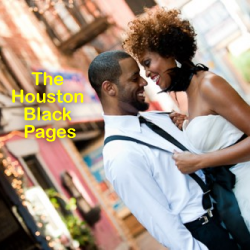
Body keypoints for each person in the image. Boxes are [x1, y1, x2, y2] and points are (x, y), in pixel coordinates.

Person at [122, 7, 250, 249]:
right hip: (237, 193)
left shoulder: (209, 84)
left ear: (169, 50)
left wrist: (201, 161)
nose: (147, 74)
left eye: (148, 63)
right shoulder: (186, 95)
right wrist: (188, 125)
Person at [88, 50, 239, 250]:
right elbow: (161, 223)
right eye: (134, 78)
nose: (144, 82)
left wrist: (189, 126)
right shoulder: (120, 154)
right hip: (206, 235)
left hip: (230, 212)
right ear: (110, 88)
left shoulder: (161, 118)